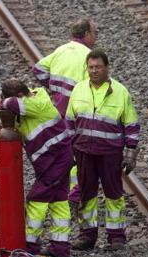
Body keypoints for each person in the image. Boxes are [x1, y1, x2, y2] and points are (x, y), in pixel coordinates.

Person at [66, 50, 139, 251]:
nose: (94, 71)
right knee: (86, 195)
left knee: (114, 194)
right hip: (84, 151)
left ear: (107, 68)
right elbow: (70, 121)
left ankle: (117, 237)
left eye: (98, 67)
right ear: (87, 68)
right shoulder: (79, 89)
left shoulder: (121, 92)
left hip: (110, 153)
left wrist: (131, 152)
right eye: (91, 67)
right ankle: (87, 235)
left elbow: (131, 124)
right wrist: (70, 149)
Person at [0, 80, 73, 257]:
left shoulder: (36, 104)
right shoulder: (33, 97)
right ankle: (60, 249)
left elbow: (6, 104)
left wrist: (2, 101)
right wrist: (1, 97)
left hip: (55, 161)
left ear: (20, 96)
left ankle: (30, 246)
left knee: (36, 200)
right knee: (59, 201)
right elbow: (1, 102)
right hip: (55, 160)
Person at [32, 19, 98, 204]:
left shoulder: (61, 50)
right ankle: (76, 194)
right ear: (86, 34)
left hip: (59, 110)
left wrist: (53, 87)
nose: (96, 36)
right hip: (77, 114)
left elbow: (38, 69)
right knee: (81, 154)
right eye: (95, 33)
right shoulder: (90, 56)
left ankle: (58, 189)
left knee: (62, 150)